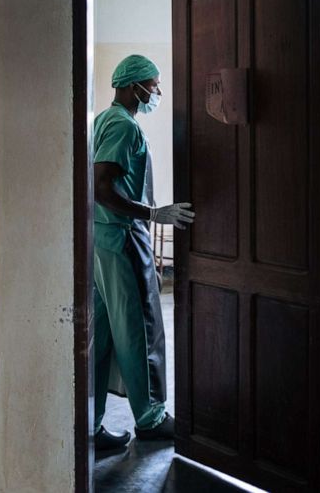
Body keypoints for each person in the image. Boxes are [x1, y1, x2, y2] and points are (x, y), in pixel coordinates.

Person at [92, 54, 196, 451]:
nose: (156, 91)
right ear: (133, 84)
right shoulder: (122, 125)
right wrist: (153, 213)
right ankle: (151, 418)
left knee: (100, 336)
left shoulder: (105, 118)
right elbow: (101, 186)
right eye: (152, 84)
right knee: (141, 327)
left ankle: (90, 420)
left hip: (101, 240)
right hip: (121, 238)